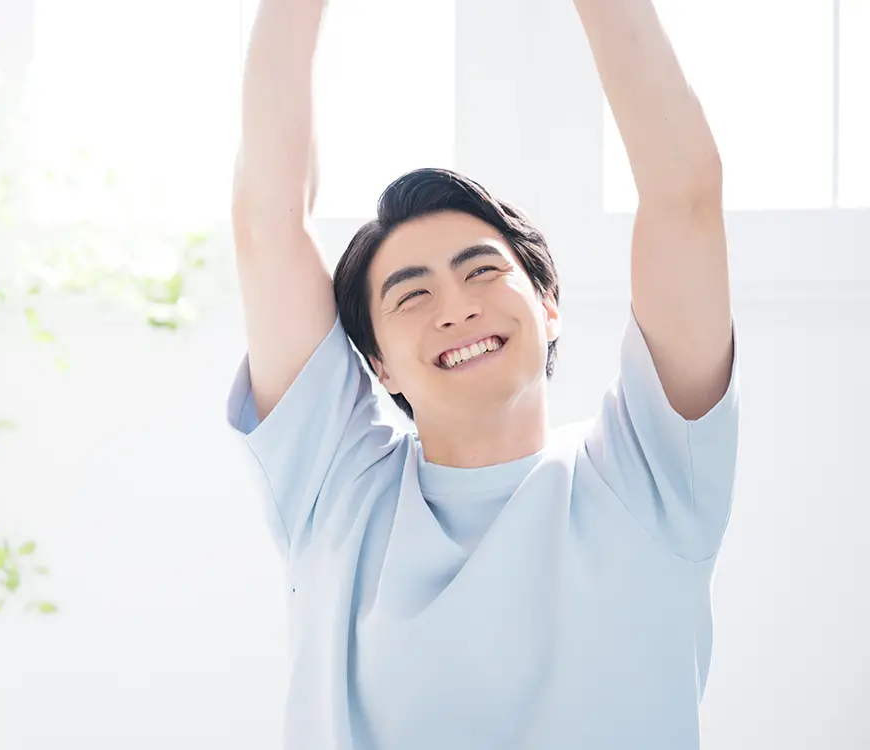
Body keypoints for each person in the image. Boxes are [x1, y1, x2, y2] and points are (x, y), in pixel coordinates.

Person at [227, 0, 739, 748]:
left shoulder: (650, 476)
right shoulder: (336, 491)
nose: (457, 307)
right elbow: (268, 222)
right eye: (412, 295)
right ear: (377, 364)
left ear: (549, 307)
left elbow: (684, 195)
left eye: (482, 272)